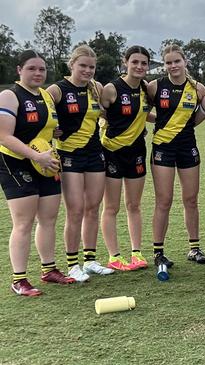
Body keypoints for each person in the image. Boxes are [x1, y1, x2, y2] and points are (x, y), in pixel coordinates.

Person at [0, 50, 74, 296]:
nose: (38, 73)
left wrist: (53, 136)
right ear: (19, 70)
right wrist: (35, 155)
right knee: (23, 222)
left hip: (45, 162)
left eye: (42, 69)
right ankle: (19, 279)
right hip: (16, 163)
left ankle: (49, 269)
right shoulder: (9, 96)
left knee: (49, 218)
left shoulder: (45, 95)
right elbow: (4, 135)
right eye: (32, 68)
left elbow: (44, 126)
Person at [46, 45, 114, 281]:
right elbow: (43, 118)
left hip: (95, 155)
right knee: (75, 210)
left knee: (92, 208)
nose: (87, 70)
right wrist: (51, 132)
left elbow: (108, 114)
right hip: (69, 156)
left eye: (91, 67)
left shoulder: (97, 88)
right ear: (72, 65)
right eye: (82, 65)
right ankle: (73, 264)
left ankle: (91, 260)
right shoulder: (57, 90)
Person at [147, 44, 205, 267]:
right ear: (164, 65)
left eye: (177, 61)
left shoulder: (197, 88)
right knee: (164, 200)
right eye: (168, 62)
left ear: (185, 62)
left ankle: (194, 248)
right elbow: (141, 110)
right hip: (162, 147)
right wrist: (160, 122)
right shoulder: (155, 86)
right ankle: (158, 252)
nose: (173, 66)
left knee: (191, 199)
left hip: (187, 147)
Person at [100, 45, 152, 271]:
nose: (139, 66)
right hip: (111, 152)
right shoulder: (112, 89)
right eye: (135, 62)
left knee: (134, 204)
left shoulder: (146, 89)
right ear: (125, 62)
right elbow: (95, 112)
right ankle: (114, 256)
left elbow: (144, 112)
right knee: (111, 206)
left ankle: (136, 253)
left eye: (143, 63)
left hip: (137, 151)